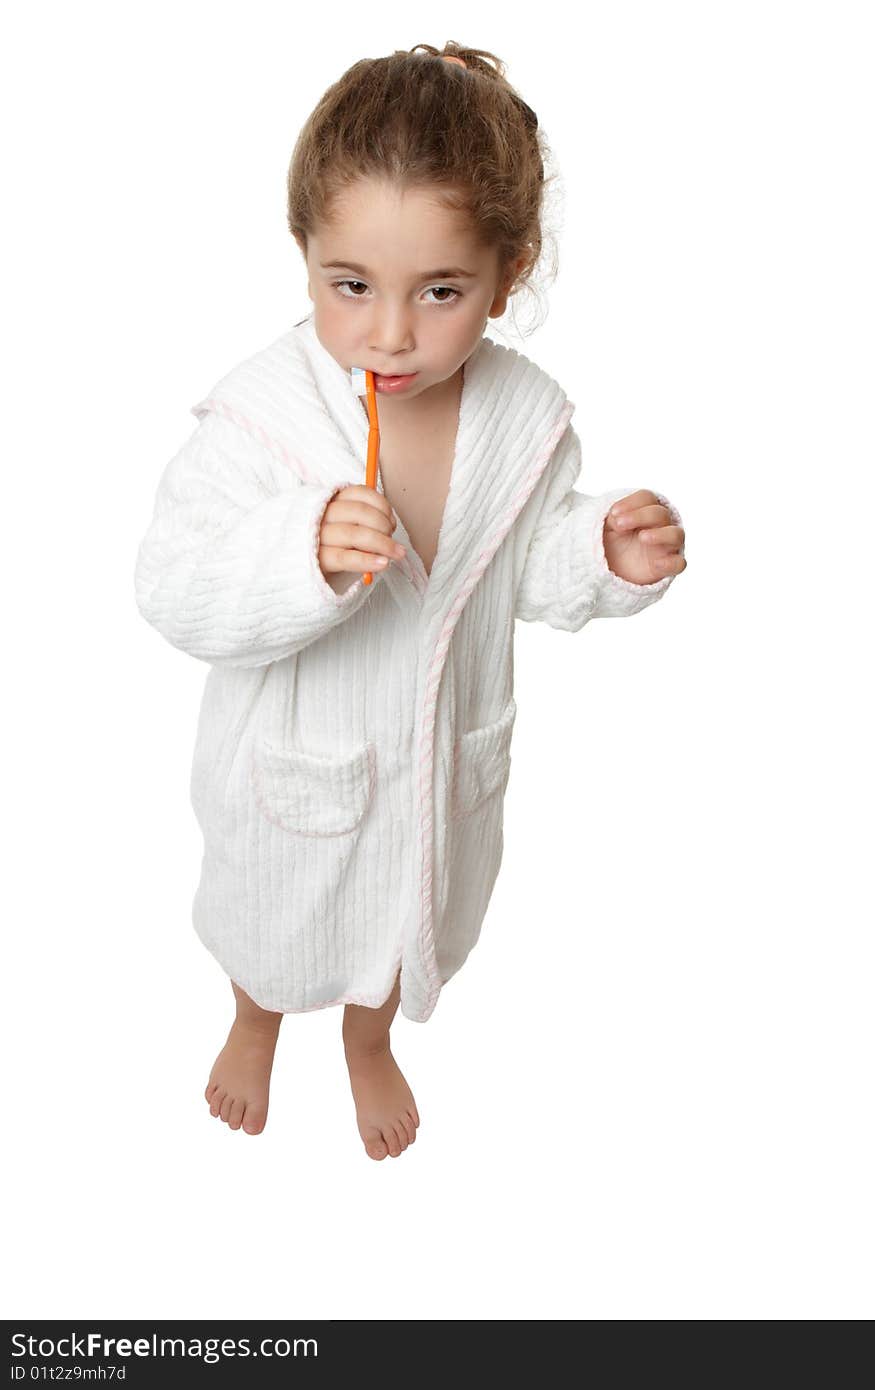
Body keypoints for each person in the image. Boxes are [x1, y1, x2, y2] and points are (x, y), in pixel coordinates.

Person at [134, 42, 686, 1161]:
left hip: (437, 771)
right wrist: (299, 552)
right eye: (352, 287)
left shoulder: (525, 421)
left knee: (403, 918)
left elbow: (522, 564)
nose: (389, 333)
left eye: (440, 293)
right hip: (297, 774)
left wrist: (600, 552)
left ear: (509, 269)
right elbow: (173, 585)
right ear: (305, 258)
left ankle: (369, 1039)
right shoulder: (260, 418)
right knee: (273, 916)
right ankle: (253, 1023)